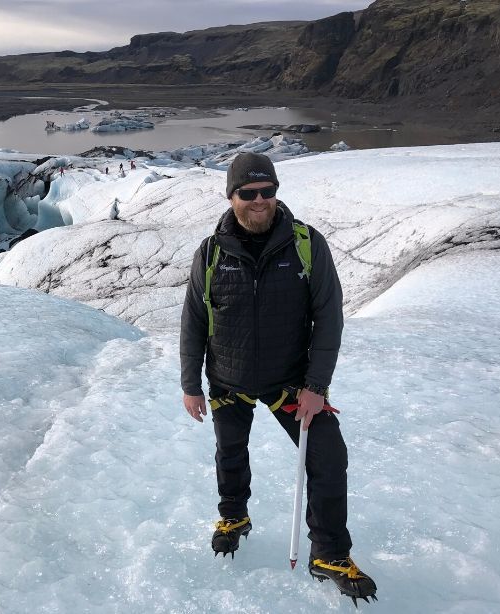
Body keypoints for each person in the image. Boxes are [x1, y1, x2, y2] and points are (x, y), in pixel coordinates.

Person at [179, 152, 377, 604]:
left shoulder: (306, 244)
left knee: (327, 455)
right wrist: (191, 384)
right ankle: (234, 517)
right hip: (228, 381)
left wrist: (316, 386)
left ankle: (328, 552)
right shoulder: (210, 253)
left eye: (267, 191)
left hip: (291, 383)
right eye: (248, 193)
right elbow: (193, 321)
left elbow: (328, 317)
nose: (259, 200)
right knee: (230, 454)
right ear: (231, 197)